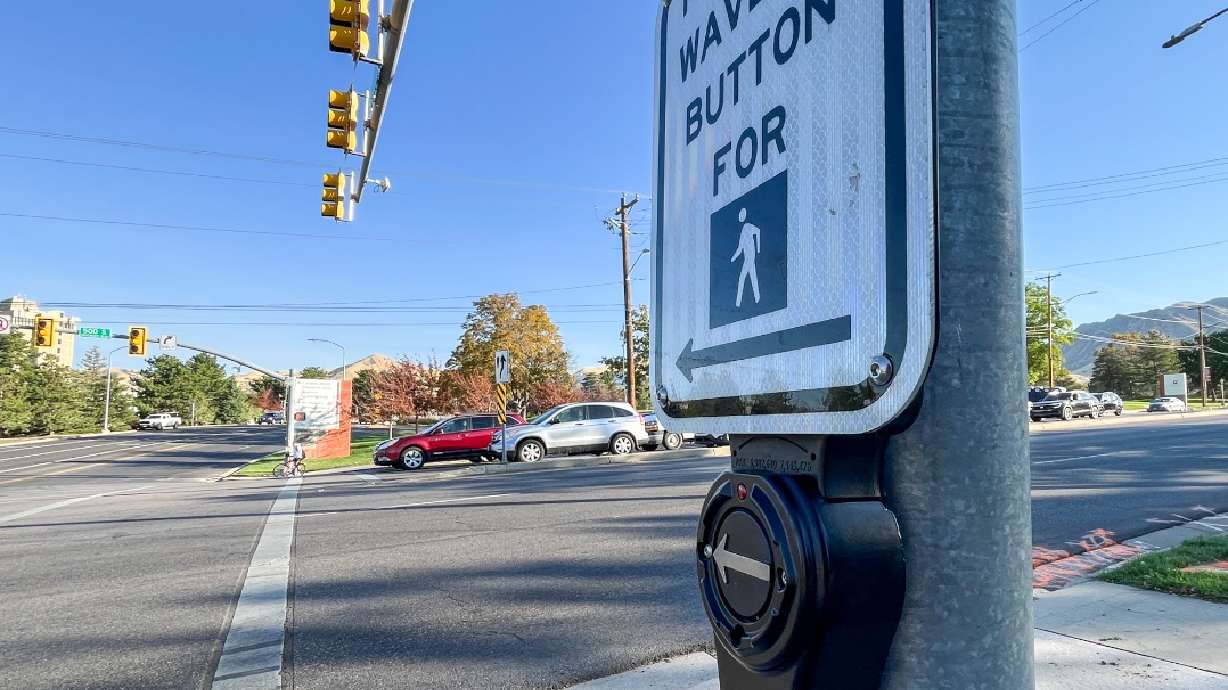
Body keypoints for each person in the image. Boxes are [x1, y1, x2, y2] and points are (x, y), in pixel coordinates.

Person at [730, 207, 762, 308]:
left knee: (743, 278)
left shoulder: (747, 226)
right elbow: (740, 248)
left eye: (741, 215)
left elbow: (758, 231)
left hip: (750, 258)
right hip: (747, 259)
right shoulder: (742, 234)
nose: (740, 217)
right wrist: (734, 257)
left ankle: (739, 302)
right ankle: (756, 298)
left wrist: (758, 248)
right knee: (752, 277)